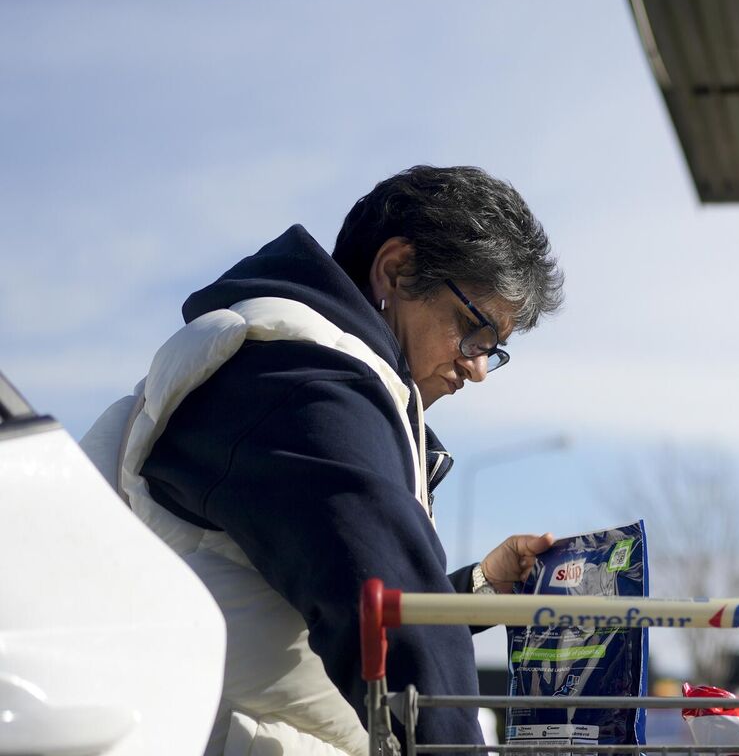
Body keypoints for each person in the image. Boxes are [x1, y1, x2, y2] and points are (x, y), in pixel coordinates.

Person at [83, 165, 565, 751]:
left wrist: (483, 587)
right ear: (396, 269)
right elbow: (391, 628)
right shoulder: (306, 385)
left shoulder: (291, 369)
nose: (478, 366)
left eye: (494, 348)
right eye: (473, 329)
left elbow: (323, 601)